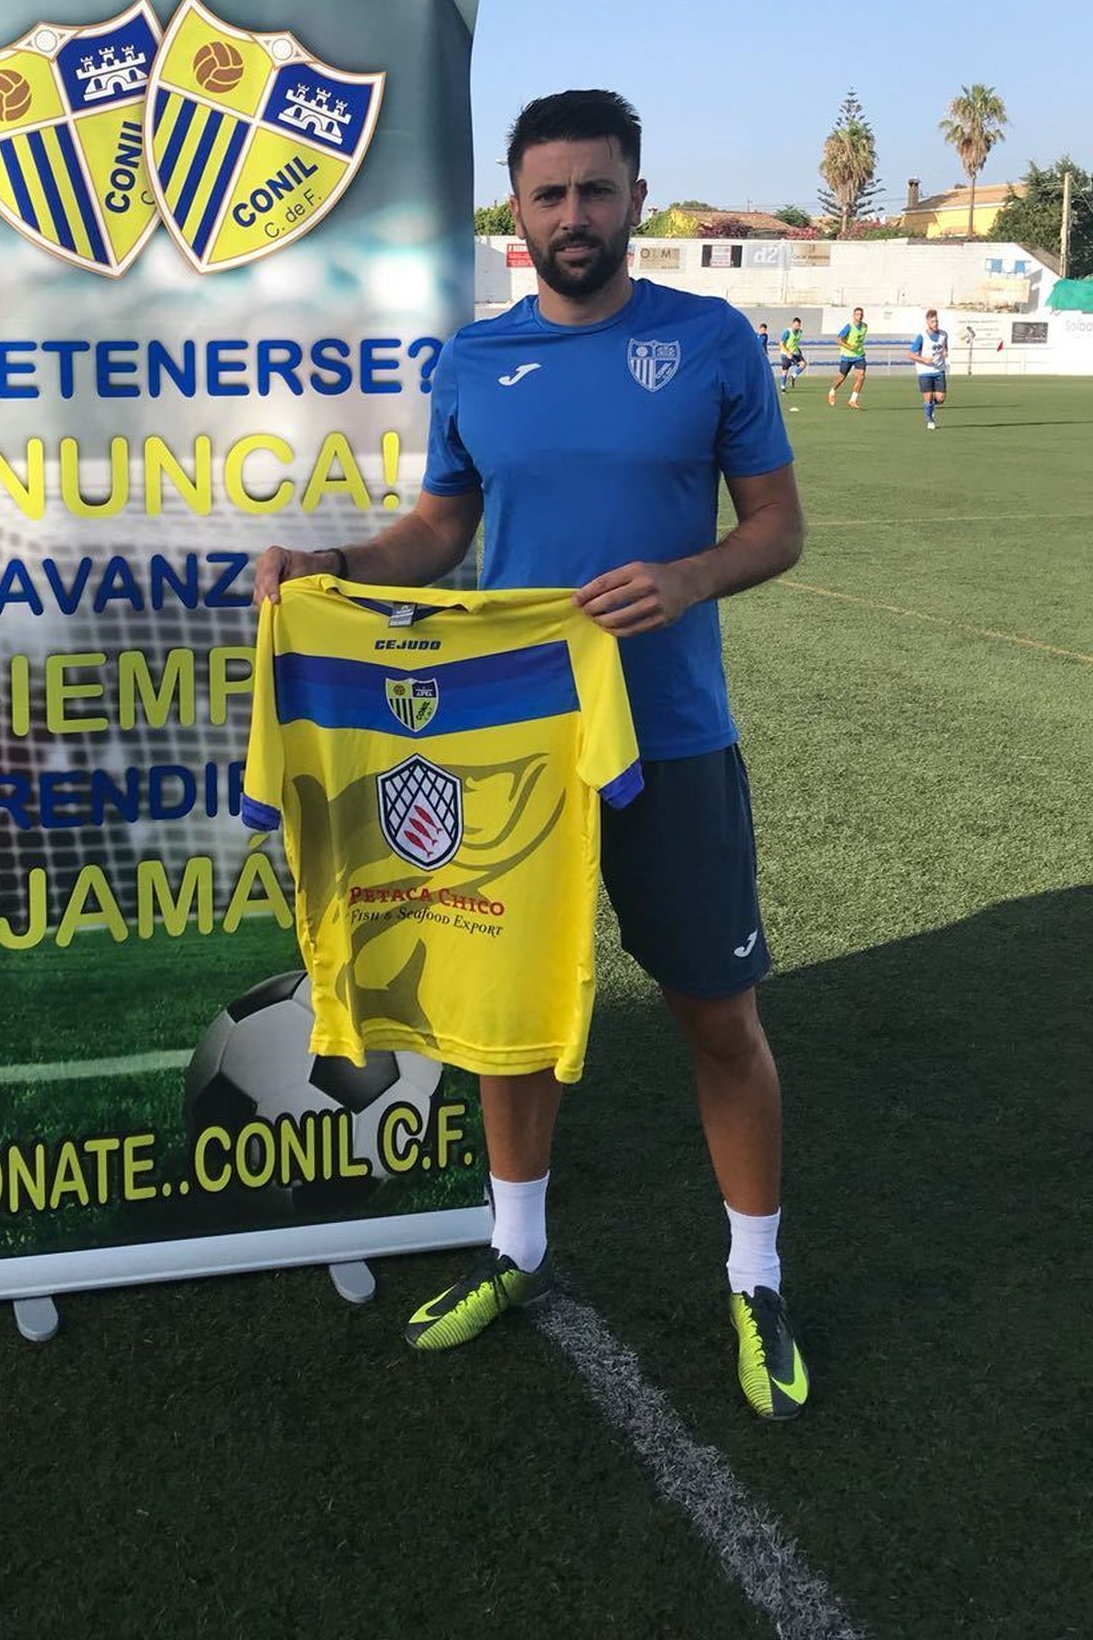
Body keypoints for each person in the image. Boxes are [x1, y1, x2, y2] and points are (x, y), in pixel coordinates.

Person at [253, 89, 810, 1420]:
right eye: (549, 194)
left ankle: (757, 1275)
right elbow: (439, 532)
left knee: (719, 1018)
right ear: (517, 207)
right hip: (509, 753)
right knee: (506, 1020)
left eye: (597, 190)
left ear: (633, 196)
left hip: (671, 738)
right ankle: (514, 1245)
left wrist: (686, 580)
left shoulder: (711, 340)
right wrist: (328, 563)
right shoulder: (476, 361)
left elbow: (778, 527)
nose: (574, 216)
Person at [908, 308, 950, 428]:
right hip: (924, 371)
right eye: (932, 321)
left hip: (938, 370)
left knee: (941, 398)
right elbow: (910, 354)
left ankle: (931, 406)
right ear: (927, 322)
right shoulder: (922, 336)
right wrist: (923, 359)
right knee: (928, 397)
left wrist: (945, 352)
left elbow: (944, 347)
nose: (935, 324)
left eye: (936, 321)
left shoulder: (944, 334)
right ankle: (930, 420)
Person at [828, 308, 869, 408]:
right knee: (841, 378)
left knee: (861, 376)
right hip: (847, 356)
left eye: (861, 315)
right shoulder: (849, 327)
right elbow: (838, 339)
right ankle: (832, 391)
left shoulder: (865, 326)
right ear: (854, 315)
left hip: (859, 355)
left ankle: (853, 400)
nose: (860, 316)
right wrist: (849, 346)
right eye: (858, 314)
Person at [779, 318, 806, 391]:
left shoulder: (800, 332)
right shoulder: (787, 332)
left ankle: (793, 377)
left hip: (795, 353)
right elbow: (781, 344)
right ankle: (783, 388)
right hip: (785, 353)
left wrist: (799, 351)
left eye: (799, 325)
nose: (797, 327)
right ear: (792, 324)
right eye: (796, 325)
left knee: (803, 364)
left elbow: (795, 343)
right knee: (785, 370)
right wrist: (787, 352)